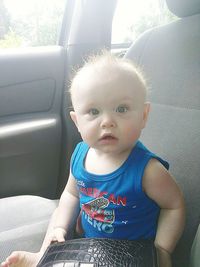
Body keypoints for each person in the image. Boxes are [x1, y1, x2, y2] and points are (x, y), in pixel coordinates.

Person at [1, 52, 185, 267]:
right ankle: (43, 255)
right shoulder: (80, 154)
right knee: (56, 221)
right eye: (94, 111)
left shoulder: (147, 170)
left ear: (143, 115)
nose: (107, 121)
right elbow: (71, 194)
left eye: (121, 109)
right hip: (88, 244)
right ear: (76, 121)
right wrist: (60, 227)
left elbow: (174, 206)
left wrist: (162, 249)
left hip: (131, 253)